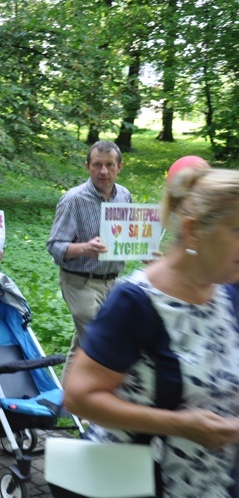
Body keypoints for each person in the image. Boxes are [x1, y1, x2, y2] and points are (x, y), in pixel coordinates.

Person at [64, 167, 239, 497]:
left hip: (214, 482)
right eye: (238, 230)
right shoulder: (136, 302)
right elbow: (79, 397)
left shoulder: (230, 291)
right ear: (194, 230)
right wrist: (179, 425)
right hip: (136, 482)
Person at [46, 140, 131, 379]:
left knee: (83, 344)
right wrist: (85, 248)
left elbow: (128, 235)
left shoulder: (124, 195)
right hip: (80, 282)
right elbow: (54, 246)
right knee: (101, 341)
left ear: (119, 167)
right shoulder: (73, 199)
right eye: (97, 165)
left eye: (109, 165)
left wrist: (143, 252)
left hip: (113, 282)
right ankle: (100, 403)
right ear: (87, 166)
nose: (103, 171)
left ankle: (66, 401)